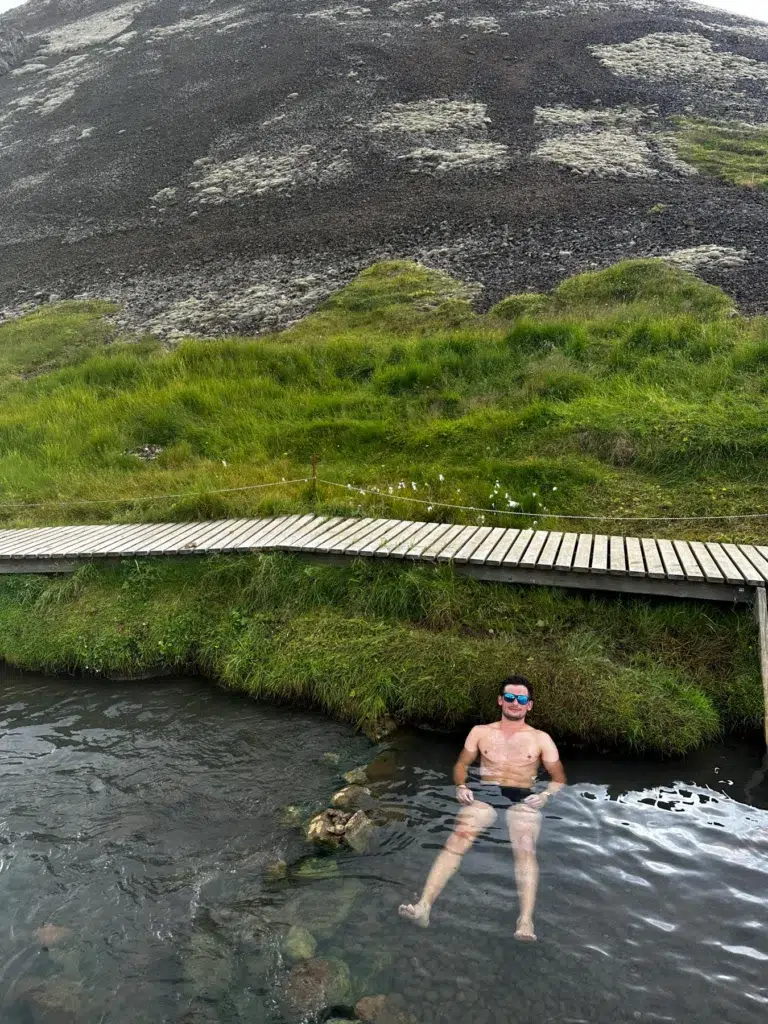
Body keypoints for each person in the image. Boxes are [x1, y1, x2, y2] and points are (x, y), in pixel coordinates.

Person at [399, 675, 566, 941]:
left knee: (525, 845)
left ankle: (525, 921)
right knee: (459, 836)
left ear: (529, 705)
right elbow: (461, 765)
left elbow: (558, 779)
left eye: (521, 699)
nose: (515, 703)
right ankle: (424, 906)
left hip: (523, 797)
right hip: (484, 793)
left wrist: (545, 795)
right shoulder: (480, 732)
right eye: (509, 697)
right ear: (501, 700)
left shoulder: (541, 739)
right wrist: (460, 785)